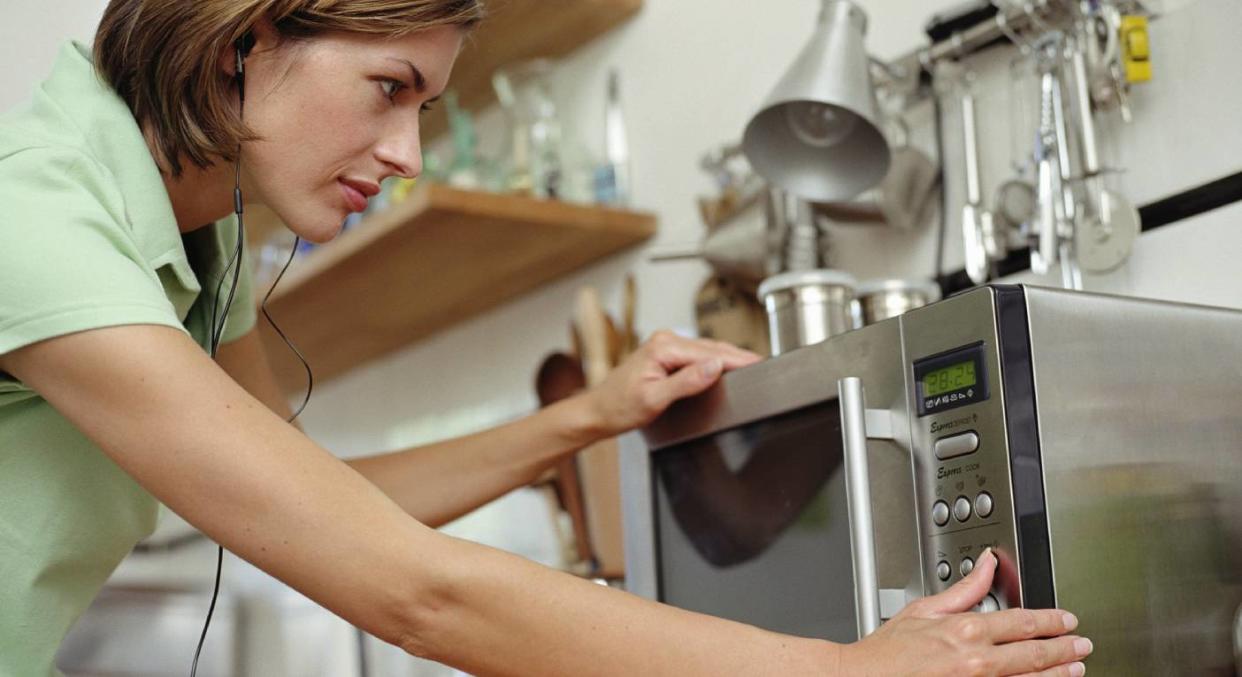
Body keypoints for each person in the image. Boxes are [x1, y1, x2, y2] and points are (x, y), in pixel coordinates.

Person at [0, 0, 1093, 674]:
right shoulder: (35, 222)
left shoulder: (209, 246)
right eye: (391, 89)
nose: (406, 152)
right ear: (243, 39)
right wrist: (845, 672)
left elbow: (325, 496)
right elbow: (409, 586)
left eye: (422, 107)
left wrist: (588, 415)